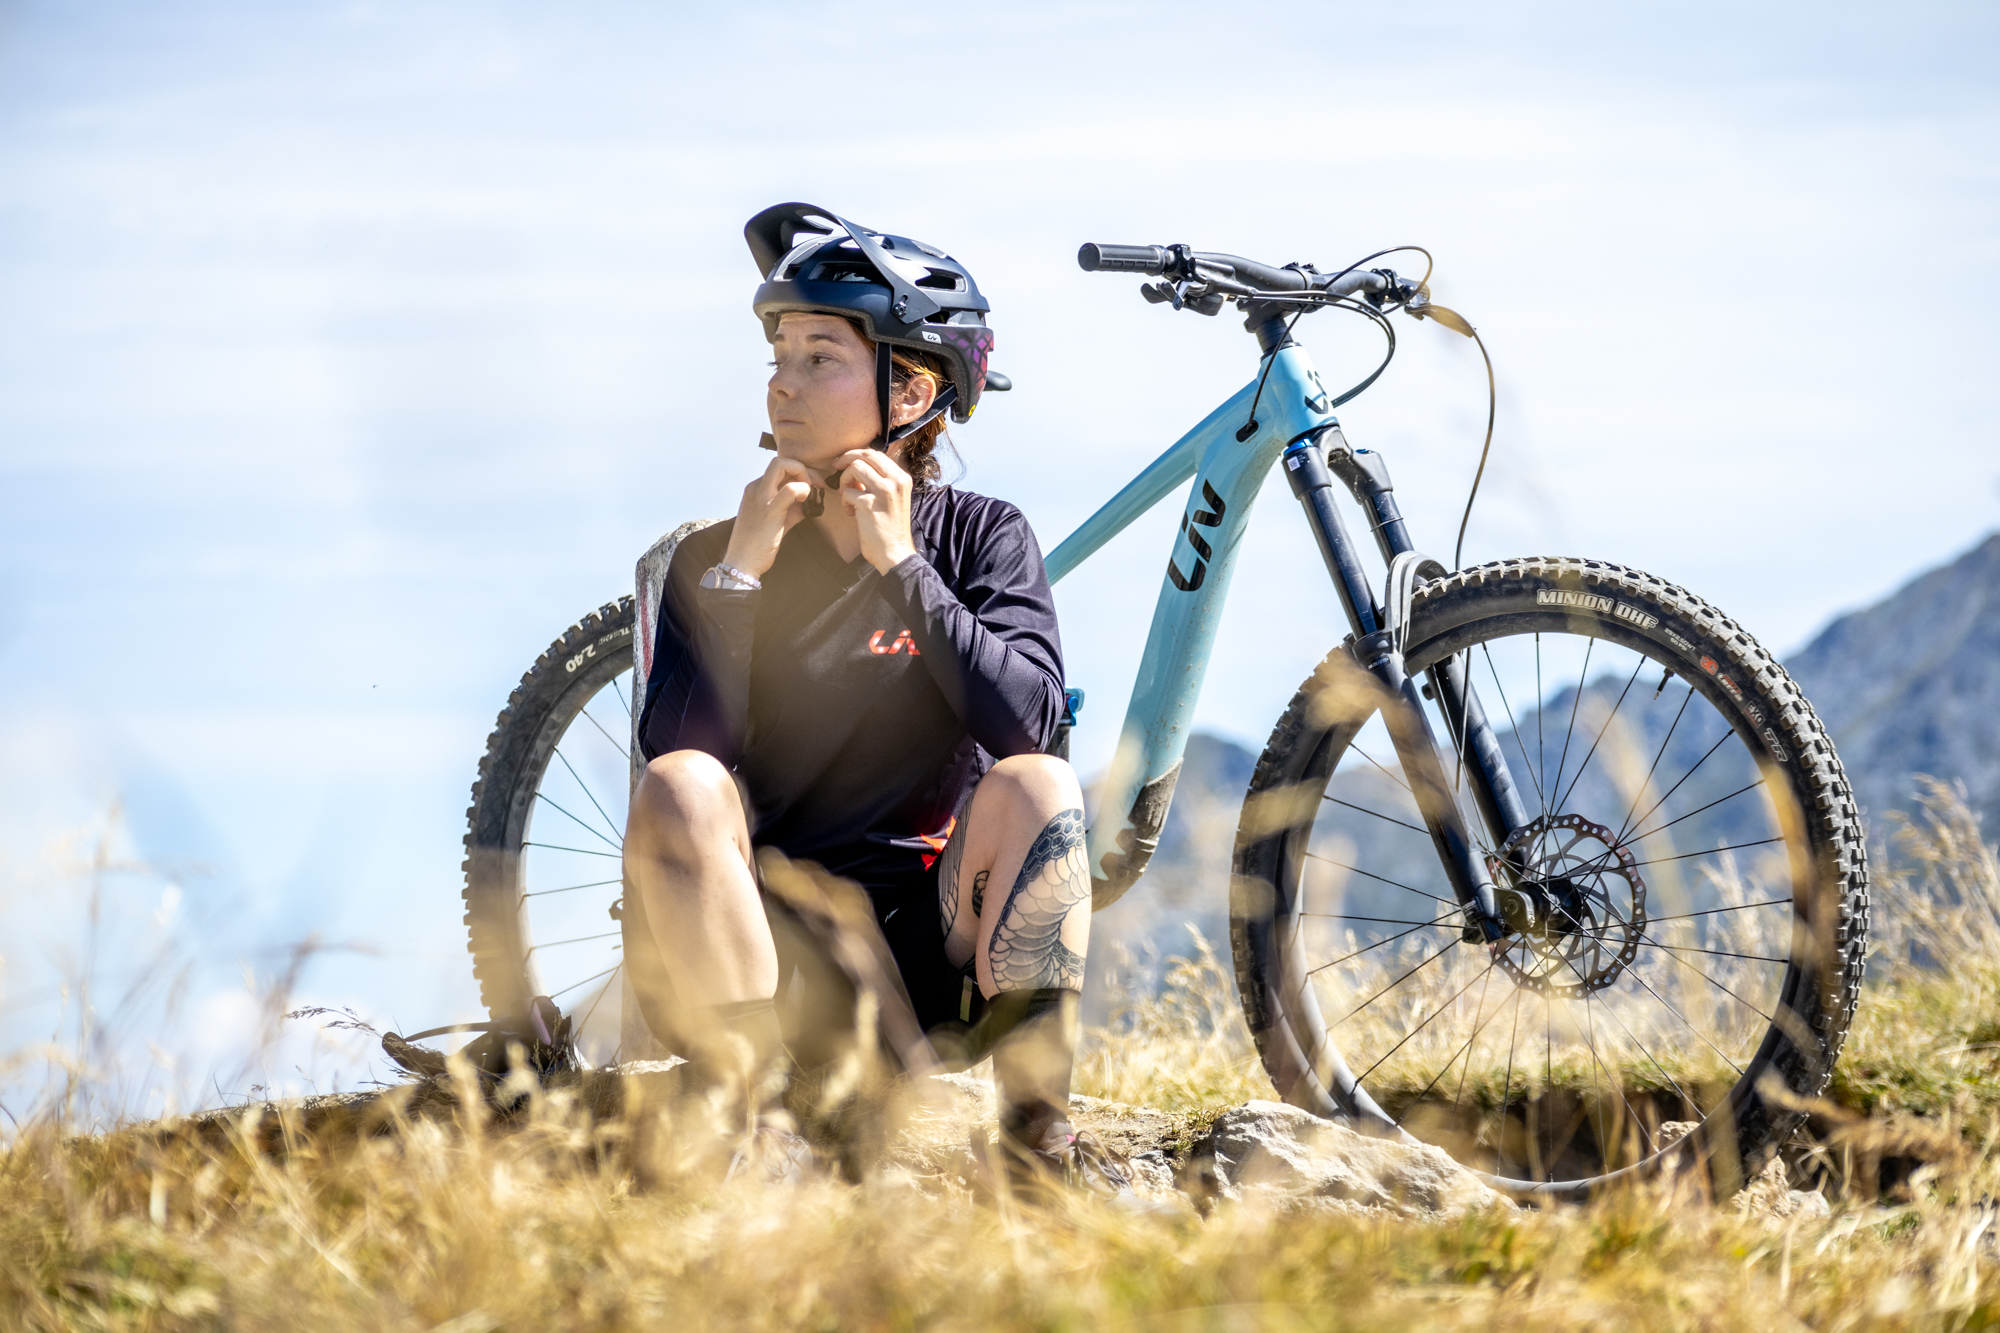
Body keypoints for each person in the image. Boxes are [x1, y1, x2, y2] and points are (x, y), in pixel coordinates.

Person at [620, 202, 1105, 1189]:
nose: (781, 382)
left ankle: (1034, 1148)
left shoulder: (980, 537)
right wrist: (740, 578)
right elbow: (678, 756)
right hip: (757, 951)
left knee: (1039, 787)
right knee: (676, 782)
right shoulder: (716, 556)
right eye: (778, 354)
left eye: (817, 358)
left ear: (911, 385)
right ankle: (745, 1124)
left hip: (932, 954)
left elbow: (1027, 722)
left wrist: (903, 571)